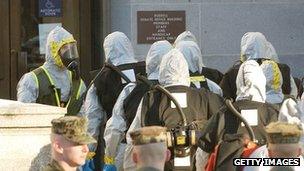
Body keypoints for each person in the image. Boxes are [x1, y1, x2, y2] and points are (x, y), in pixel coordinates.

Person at [124, 49, 224, 171]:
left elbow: (133, 138)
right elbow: (223, 133)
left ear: (162, 71)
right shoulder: (207, 97)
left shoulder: (151, 99)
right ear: (185, 71)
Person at [103, 40, 172, 170]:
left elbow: (115, 127)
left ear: (150, 60)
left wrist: (110, 156)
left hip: (134, 155)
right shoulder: (179, 91)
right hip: (168, 156)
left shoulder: (132, 89)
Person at [81, 31, 146, 170]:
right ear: (128, 46)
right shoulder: (147, 71)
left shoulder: (100, 80)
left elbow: (92, 120)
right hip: (149, 145)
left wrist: (88, 153)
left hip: (119, 145)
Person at [199, 60, 279, 155]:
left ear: (238, 82)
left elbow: (204, 152)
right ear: (261, 81)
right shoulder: (274, 113)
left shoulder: (222, 114)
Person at [17, 26, 86, 115]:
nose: (70, 53)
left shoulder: (77, 82)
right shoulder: (32, 80)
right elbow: (24, 115)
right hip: (43, 128)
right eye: (65, 48)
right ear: (53, 50)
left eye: (72, 48)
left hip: (70, 129)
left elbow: (83, 117)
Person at [220, 32, 298, 100]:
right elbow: (293, 94)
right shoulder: (282, 69)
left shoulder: (233, 72)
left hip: (242, 113)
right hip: (277, 113)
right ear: (265, 45)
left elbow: (223, 97)